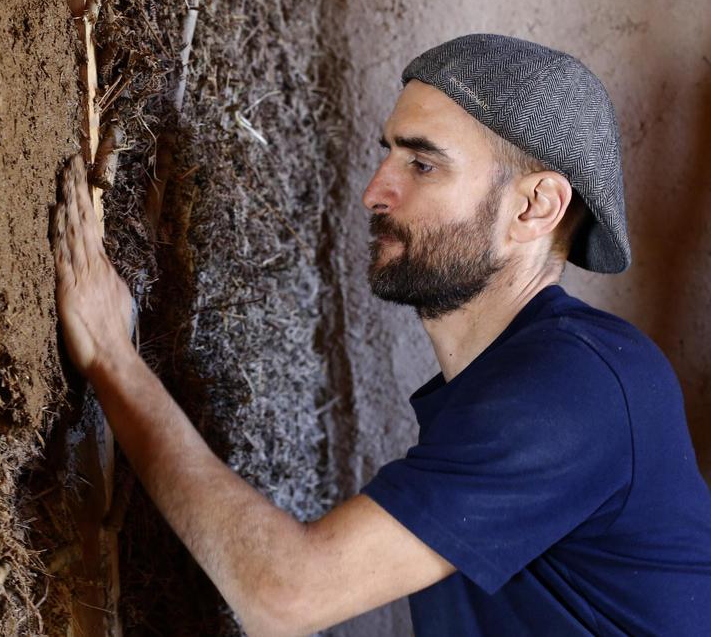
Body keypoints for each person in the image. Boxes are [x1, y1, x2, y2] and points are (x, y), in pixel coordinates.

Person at [51, 33, 711, 636]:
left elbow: (284, 593)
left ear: (535, 207)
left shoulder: (580, 386)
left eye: (422, 165)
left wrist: (113, 357)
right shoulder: (500, 388)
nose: (374, 192)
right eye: (388, 154)